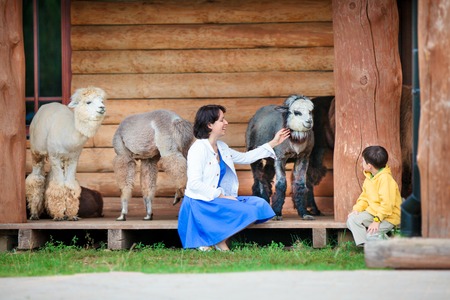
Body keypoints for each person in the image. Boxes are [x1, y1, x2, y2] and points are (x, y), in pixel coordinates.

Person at [177, 104, 290, 251]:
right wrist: (221, 195)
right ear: (210, 125)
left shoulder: (221, 147)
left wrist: (274, 142)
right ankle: (219, 240)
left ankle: (215, 237)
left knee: (260, 204)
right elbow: (194, 184)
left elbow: (245, 158)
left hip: (218, 199)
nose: (226, 123)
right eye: (222, 120)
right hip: (202, 203)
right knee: (248, 211)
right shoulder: (198, 149)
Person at [346, 145, 402, 247]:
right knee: (351, 220)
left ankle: (384, 242)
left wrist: (376, 221)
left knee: (372, 235)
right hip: (373, 213)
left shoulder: (385, 179)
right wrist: (357, 209)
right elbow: (364, 197)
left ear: (369, 166)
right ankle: (366, 244)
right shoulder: (370, 177)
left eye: (363, 161)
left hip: (388, 217)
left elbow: (387, 205)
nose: (361, 163)